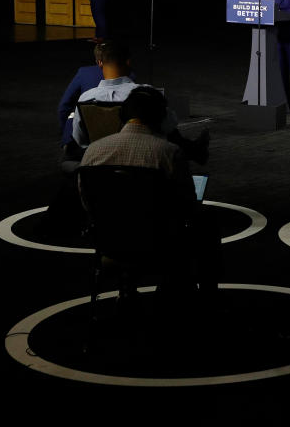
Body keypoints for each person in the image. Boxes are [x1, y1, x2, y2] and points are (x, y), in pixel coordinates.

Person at [79, 86, 219, 297]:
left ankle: (128, 289)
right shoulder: (169, 153)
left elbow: (87, 202)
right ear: (161, 118)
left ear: (123, 115)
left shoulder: (94, 151)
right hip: (161, 243)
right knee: (207, 226)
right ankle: (200, 299)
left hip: (110, 242)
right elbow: (187, 205)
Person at [72, 40, 208, 163]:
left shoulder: (86, 98)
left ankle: (194, 149)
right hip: (144, 161)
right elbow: (169, 125)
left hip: (102, 162)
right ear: (128, 61)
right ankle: (194, 150)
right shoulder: (144, 94)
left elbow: (80, 140)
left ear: (99, 63)